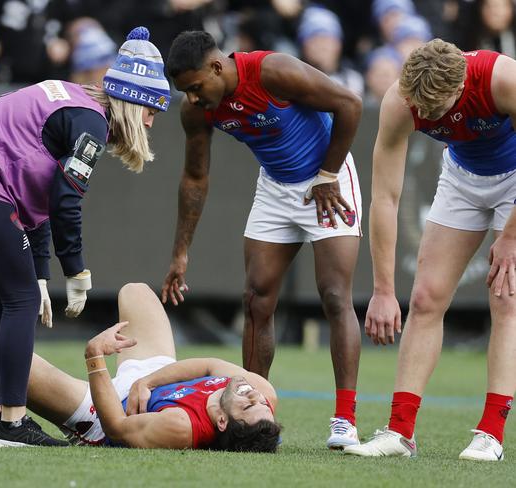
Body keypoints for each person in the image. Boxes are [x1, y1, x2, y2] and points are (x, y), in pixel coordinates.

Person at [0, 26, 170, 447]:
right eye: (152, 111)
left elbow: (34, 193)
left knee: (7, 298)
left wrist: (39, 270)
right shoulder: (91, 124)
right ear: (135, 101)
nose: (151, 121)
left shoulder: (74, 101)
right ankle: (12, 425)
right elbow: (64, 201)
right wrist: (75, 271)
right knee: (17, 300)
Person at [160, 30, 363, 449]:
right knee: (256, 299)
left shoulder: (273, 70)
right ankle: (255, 413)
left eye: (196, 87)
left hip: (328, 179)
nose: (194, 98)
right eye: (187, 92)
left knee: (335, 295)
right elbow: (195, 176)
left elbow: (350, 104)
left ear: (217, 67)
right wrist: (181, 252)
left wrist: (327, 175)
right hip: (275, 187)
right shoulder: (197, 109)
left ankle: (345, 420)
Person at [344, 38, 516, 461]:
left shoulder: (503, 79)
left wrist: (510, 236)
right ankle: (400, 432)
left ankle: (491, 434)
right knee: (424, 298)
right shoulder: (400, 102)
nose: (428, 117)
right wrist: (384, 289)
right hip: (462, 177)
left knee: (505, 297)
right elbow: (384, 197)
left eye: (437, 111)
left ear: (461, 88)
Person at [0, 283, 281, 451]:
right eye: (258, 400)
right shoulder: (263, 396)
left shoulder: (180, 427)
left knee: (4, 368)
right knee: (136, 292)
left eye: (247, 404)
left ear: (221, 424)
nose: (251, 393)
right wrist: (147, 380)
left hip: (110, 411)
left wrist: (95, 357)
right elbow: (212, 363)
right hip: (151, 386)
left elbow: (118, 427)